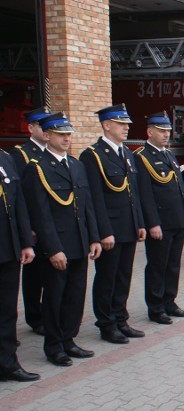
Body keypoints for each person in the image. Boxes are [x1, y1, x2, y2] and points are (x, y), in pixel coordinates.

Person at [22, 112, 101, 367]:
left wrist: (93, 238)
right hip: (58, 247)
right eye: (60, 134)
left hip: (79, 243)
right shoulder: (37, 168)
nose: (66, 138)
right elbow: (40, 214)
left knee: (75, 296)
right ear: (46, 136)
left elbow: (87, 205)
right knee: (55, 298)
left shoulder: (76, 165)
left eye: (68, 134)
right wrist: (53, 249)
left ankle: (69, 340)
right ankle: (54, 346)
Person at [79, 104, 147, 343]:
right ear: (106, 125)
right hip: (111, 230)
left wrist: (139, 222)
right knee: (107, 278)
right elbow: (95, 198)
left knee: (123, 276)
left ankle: (120, 318)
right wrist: (103, 232)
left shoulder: (127, 153)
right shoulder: (93, 155)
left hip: (128, 226)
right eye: (121, 123)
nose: (126, 128)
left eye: (127, 123)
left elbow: (133, 193)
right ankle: (106, 324)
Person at [133, 111, 184, 325]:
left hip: (177, 220)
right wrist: (152, 223)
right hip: (160, 223)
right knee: (158, 266)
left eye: (168, 130)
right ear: (150, 131)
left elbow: (179, 189)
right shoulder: (141, 157)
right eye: (161, 130)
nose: (166, 134)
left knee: (173, 265)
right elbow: (145, 193)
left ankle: (170, 301)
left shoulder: (168, 154)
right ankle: (156, 307)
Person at [9, 106, 52, 336]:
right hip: (34, 226)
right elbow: (20, 196)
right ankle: (35, 317)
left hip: (52, 224)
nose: (47, 130)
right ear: (31, 128)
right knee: (34, 276)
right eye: (41, 125)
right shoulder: (21, 154)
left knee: (50, 273)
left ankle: (48, 314)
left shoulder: (52, 152)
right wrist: (29, 228)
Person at [0, 147, 39, 381]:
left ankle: (8, 364)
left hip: (7, 248)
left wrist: (25, 242)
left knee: (7, 311)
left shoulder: (5, 158)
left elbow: (19, 204)